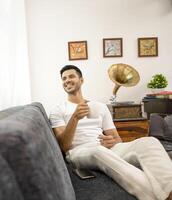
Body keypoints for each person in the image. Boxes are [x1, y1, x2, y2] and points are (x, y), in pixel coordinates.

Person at [49, 65, 172, 200]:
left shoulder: (100, 106)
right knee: (99, 152)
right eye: (64, 78)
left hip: (107, 148)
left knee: (149, 142)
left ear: (81, 80)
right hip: (78, 152)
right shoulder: (58, 110)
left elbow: (117, 139)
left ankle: (169, 190)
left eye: (71, 76)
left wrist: (112, 141)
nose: (67, 80)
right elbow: (64, 146)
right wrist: (75, 118)